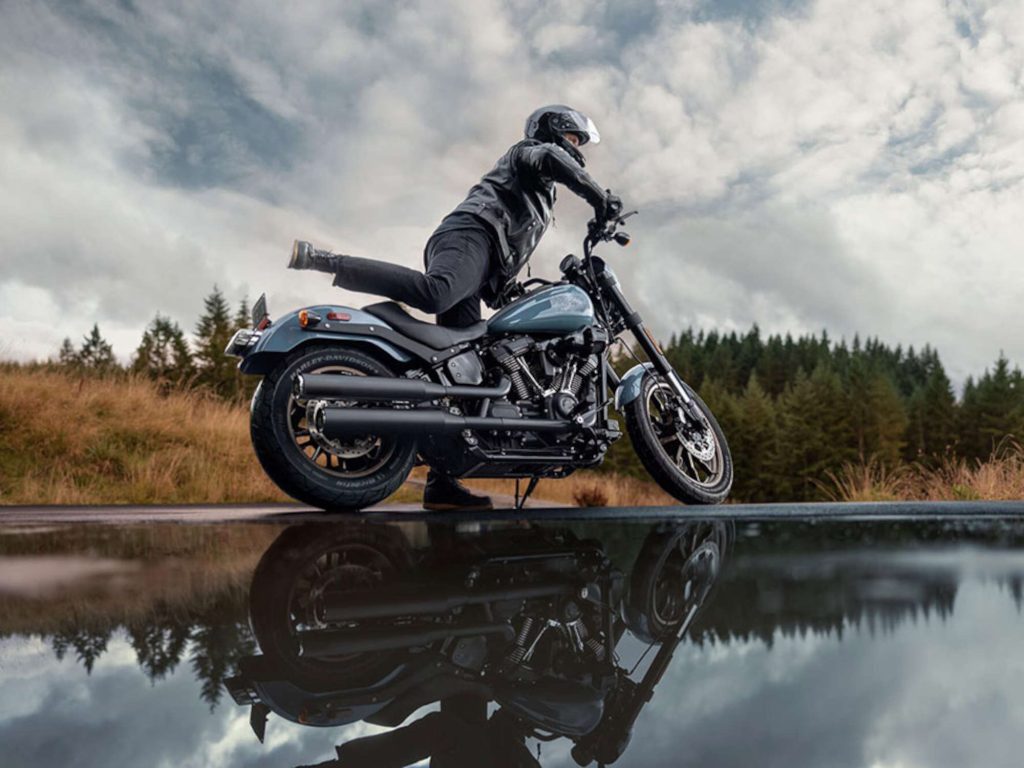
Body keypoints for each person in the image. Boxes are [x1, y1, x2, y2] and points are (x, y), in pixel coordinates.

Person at [288, 105, 623, 511]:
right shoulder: (529, 153)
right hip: (469, 234)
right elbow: (550, 159)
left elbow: (500, 273)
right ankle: (325, 260)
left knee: (466, 372)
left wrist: (517, 296)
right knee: (437, 292)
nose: (576, 148)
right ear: (555, 131)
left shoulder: (541, 198)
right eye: (573, 139)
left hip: (482, 258)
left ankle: (441, 484)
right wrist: (600, 198)